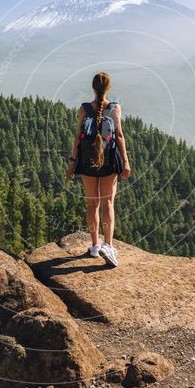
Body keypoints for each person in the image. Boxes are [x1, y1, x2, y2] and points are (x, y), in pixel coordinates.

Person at [66, 72, 131, 267]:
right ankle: (108, 245)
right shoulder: (114, 108)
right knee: (108, 203)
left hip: (87, 162)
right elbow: (119, 136)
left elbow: (78, 137)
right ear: (108, 88)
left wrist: (72, 163)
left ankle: (95, 246)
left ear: (93, 88)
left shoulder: (84, 108)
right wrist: (126, 162)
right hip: (109, 162)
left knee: (92, 204)